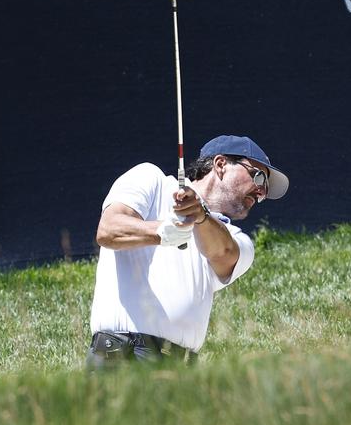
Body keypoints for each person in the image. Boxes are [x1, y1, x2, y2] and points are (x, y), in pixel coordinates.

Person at [86, 135, 290, 368]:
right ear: (221, 165)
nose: (261, 192)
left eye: (265, 189)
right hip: (122, 357)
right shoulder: (151, 179)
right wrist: (162, 231)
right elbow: (109, 230)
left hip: (181, 370)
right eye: (259, 176)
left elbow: (222, 254)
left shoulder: (237, 239)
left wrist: (199, 216)